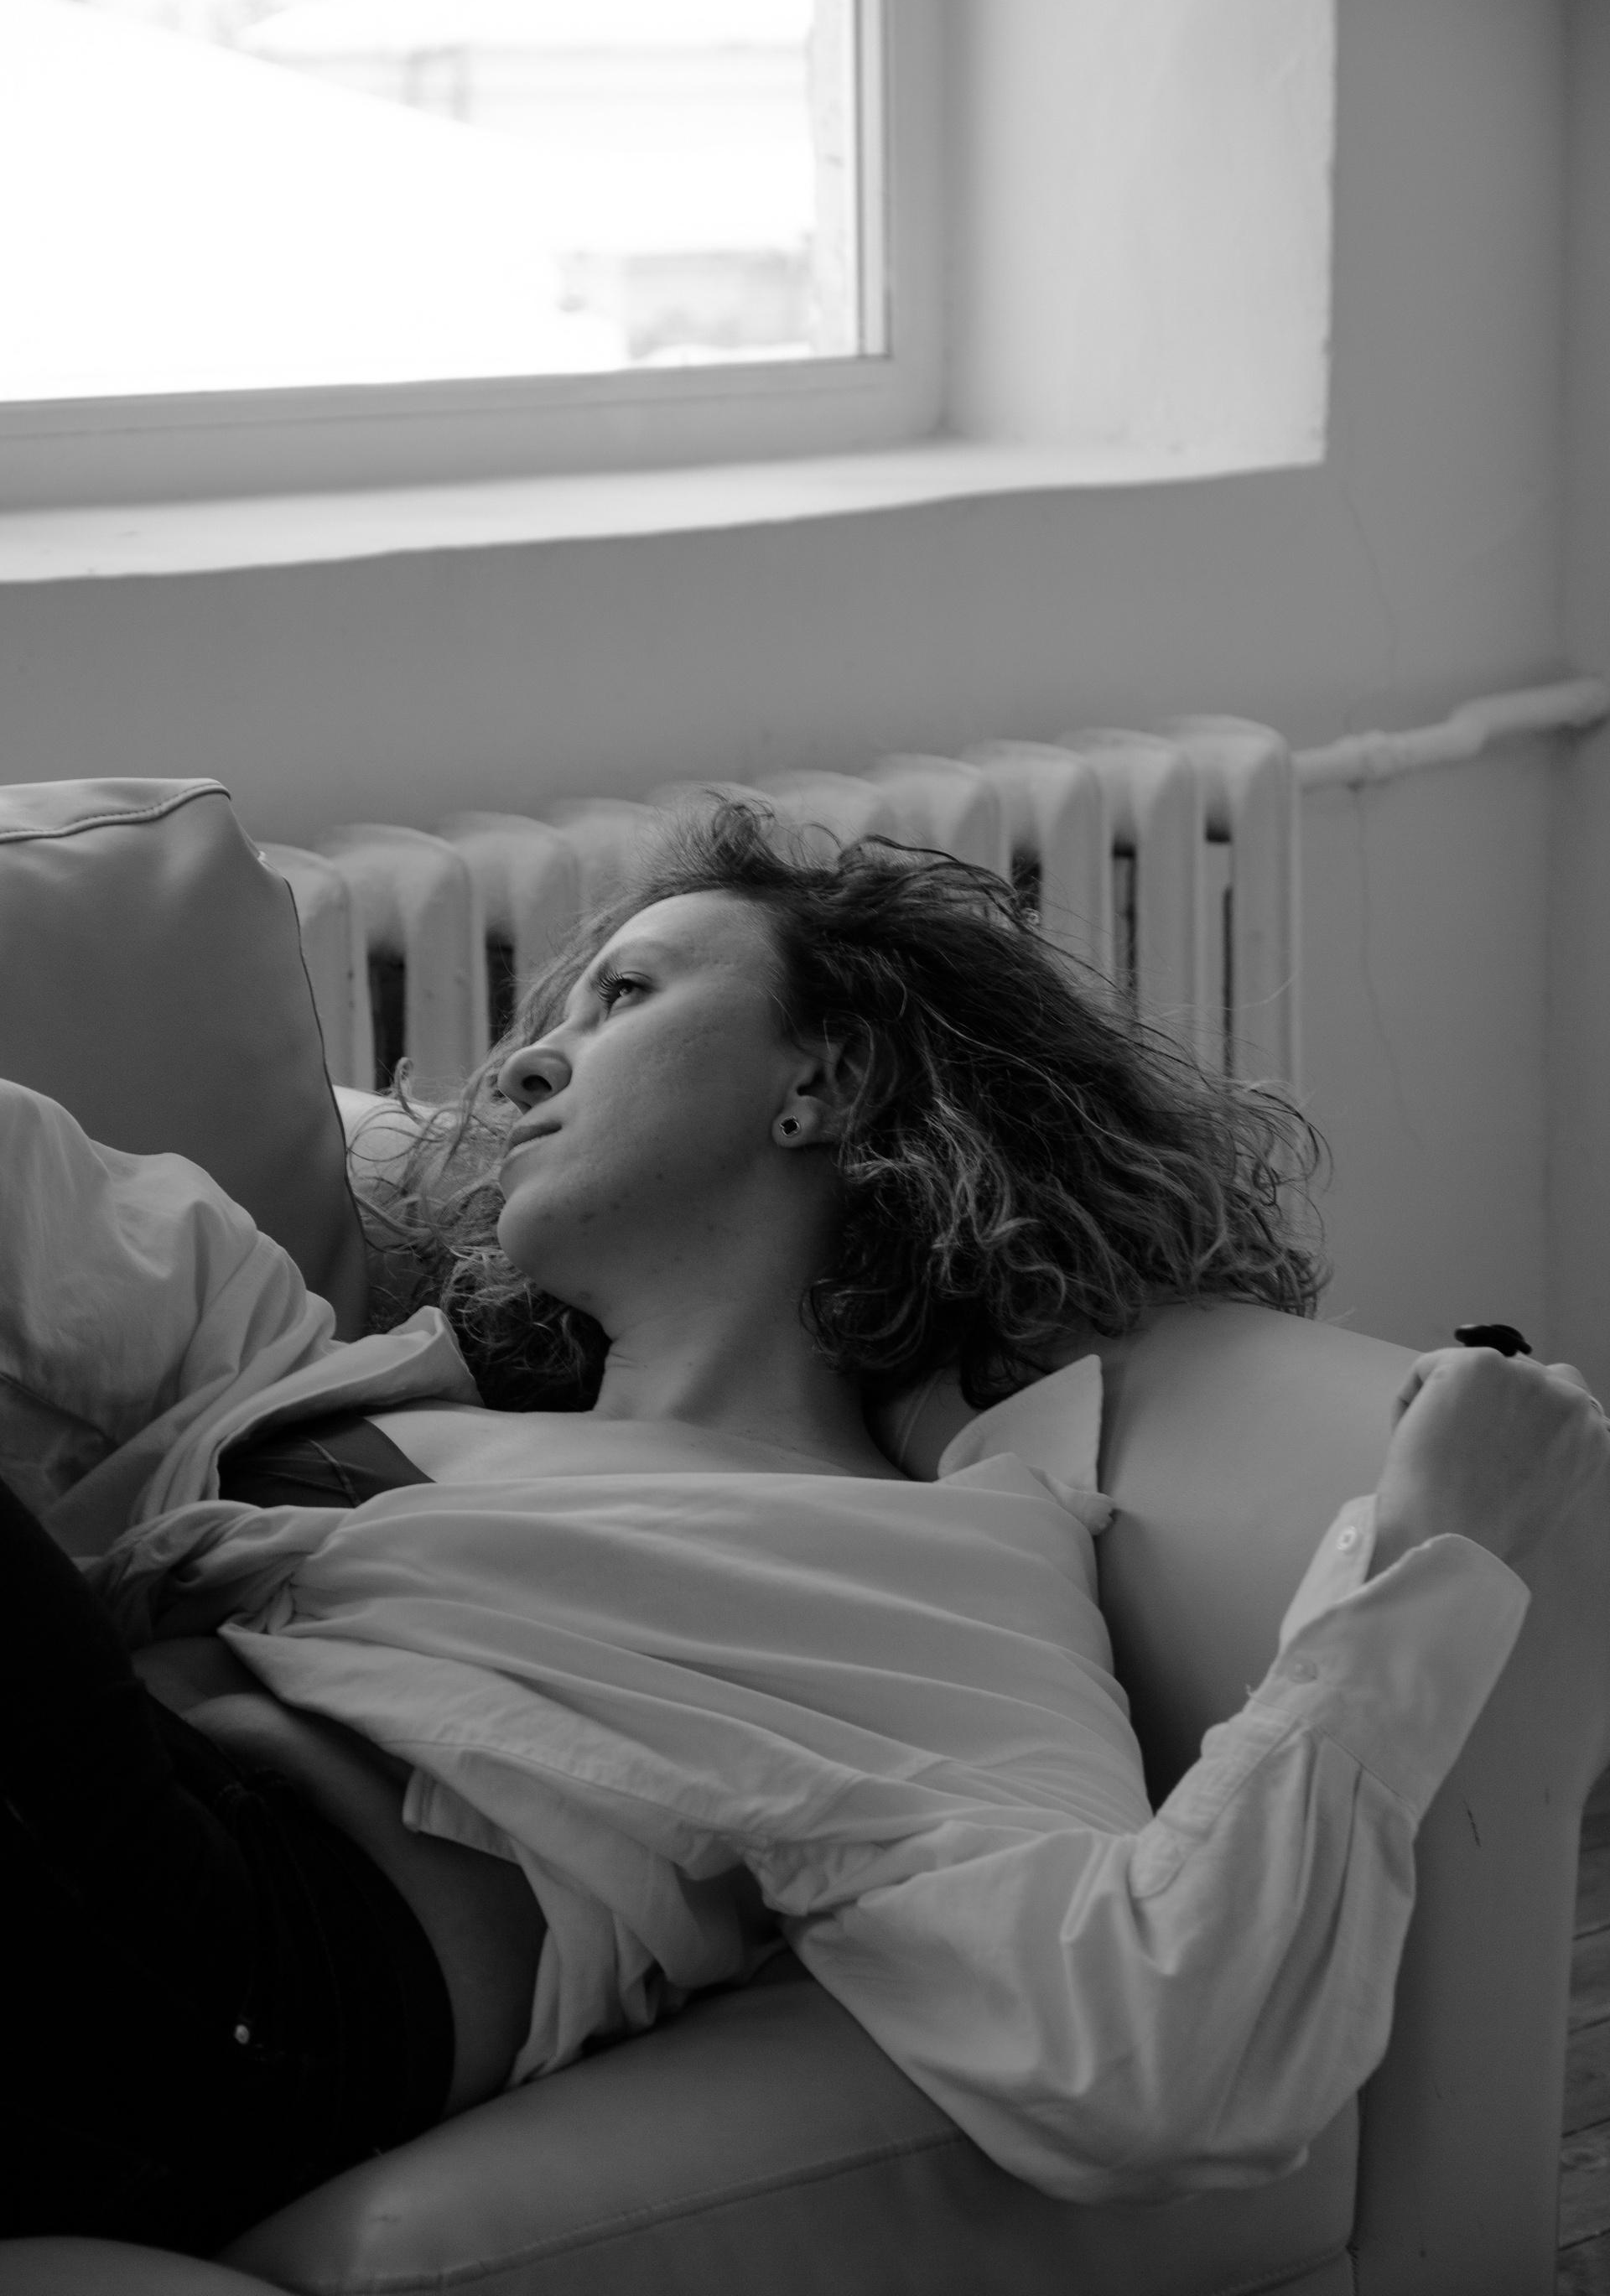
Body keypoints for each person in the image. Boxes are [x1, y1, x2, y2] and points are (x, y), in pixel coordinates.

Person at [0, 802, 1603, 2253]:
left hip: (237, 1979)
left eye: (623, 1000)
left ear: (822, 1085)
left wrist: (1428, 1559)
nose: (523, 1069)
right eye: (545, 1028)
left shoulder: (936, 1566)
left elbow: (1163, 2053)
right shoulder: (319, 1374)